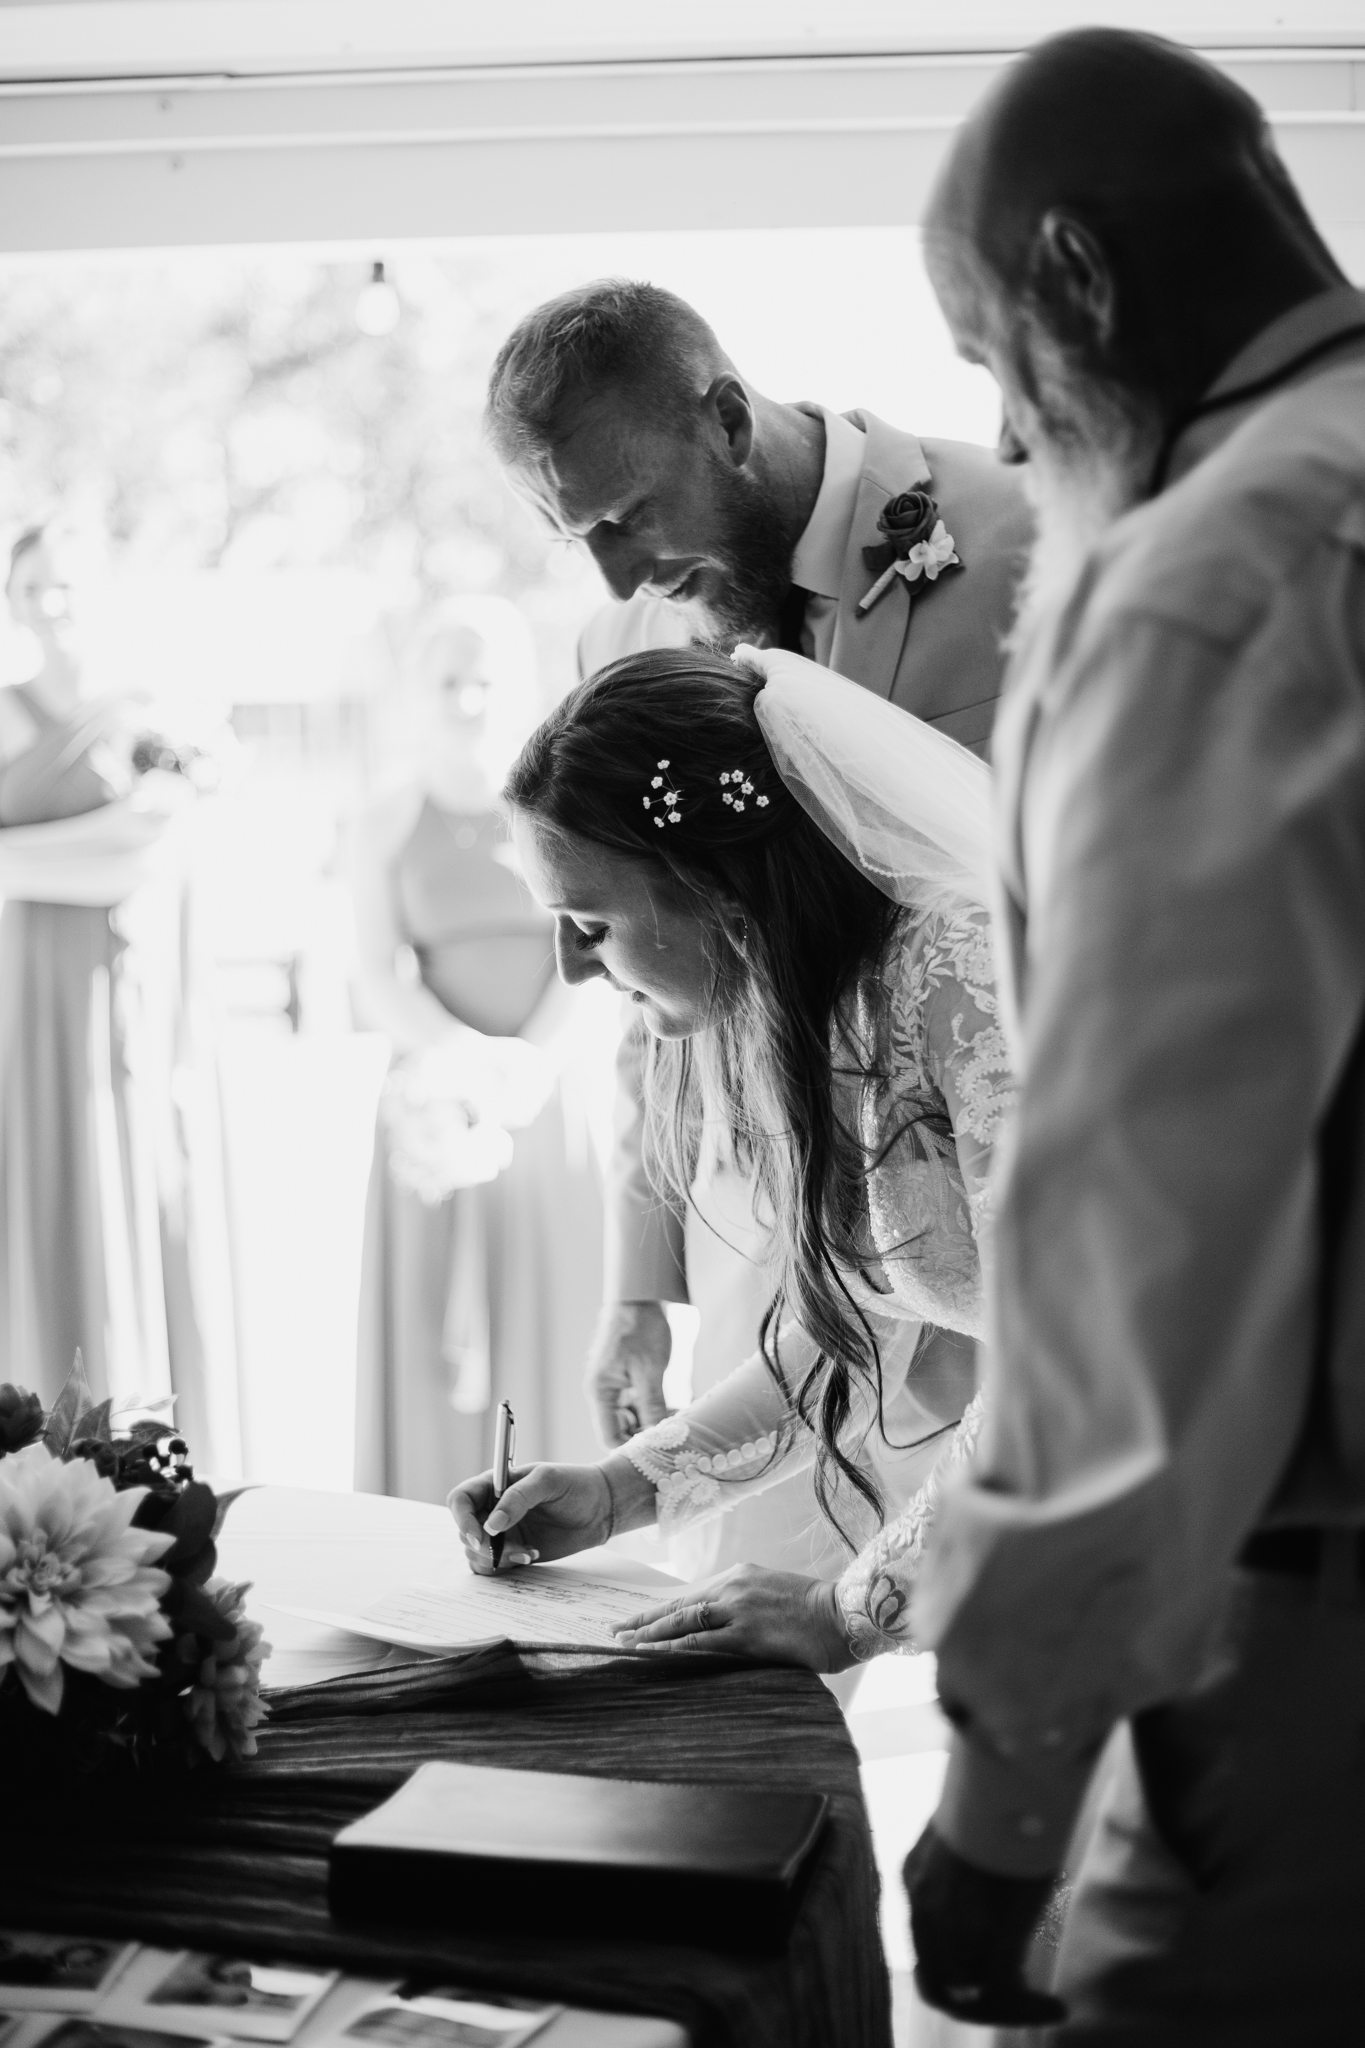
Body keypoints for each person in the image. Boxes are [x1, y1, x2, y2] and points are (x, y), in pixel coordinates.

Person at [895, 28, 1365, 2039]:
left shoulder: (1216, 579)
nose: (1007, 439)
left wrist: (1005, 1796)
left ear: (1076, 277)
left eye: (993, 361)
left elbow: (1143, 1244)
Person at [486, 280, 1031, 1588]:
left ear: (726, 420)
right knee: (725, 1621)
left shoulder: (1026, 541)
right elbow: (643, 955)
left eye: (625, 515)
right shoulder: (628, 637)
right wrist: (637, 1305)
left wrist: (853, 1610)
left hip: (1033, 1161)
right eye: (575, 538)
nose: (618, 575)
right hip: (801, 1203)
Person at [448, 643, 1016, 1677]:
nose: (570, 967)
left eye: (589, 923)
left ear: (713, 885)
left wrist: (846, 1609)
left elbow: (1075, 1360)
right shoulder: (846, 999)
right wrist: (617, 1491)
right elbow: (865, 1324)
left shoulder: (963, 979)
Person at [351, 602, 604, 1504]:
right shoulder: (385, 819)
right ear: (416, 692)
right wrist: (458, 1062)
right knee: (429, 1326)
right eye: (447, 680)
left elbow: (595, 945)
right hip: (431, 1099)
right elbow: (375, 972)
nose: (465, 700)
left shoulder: (557, 807)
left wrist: (525, 1064)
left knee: (551, 1308)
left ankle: (551, 1509)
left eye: (483, 680)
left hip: (542, 1089)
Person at [0, 526, 237, 1463]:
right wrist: (82, 848)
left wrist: (10, 860)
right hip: (23, 990)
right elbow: (110, 846)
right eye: (32, 588)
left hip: (123, 990)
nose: (52, 605)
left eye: (68, 584)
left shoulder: (155, 717)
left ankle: (135, 1440)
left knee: (125, 1185)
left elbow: (139, 856)